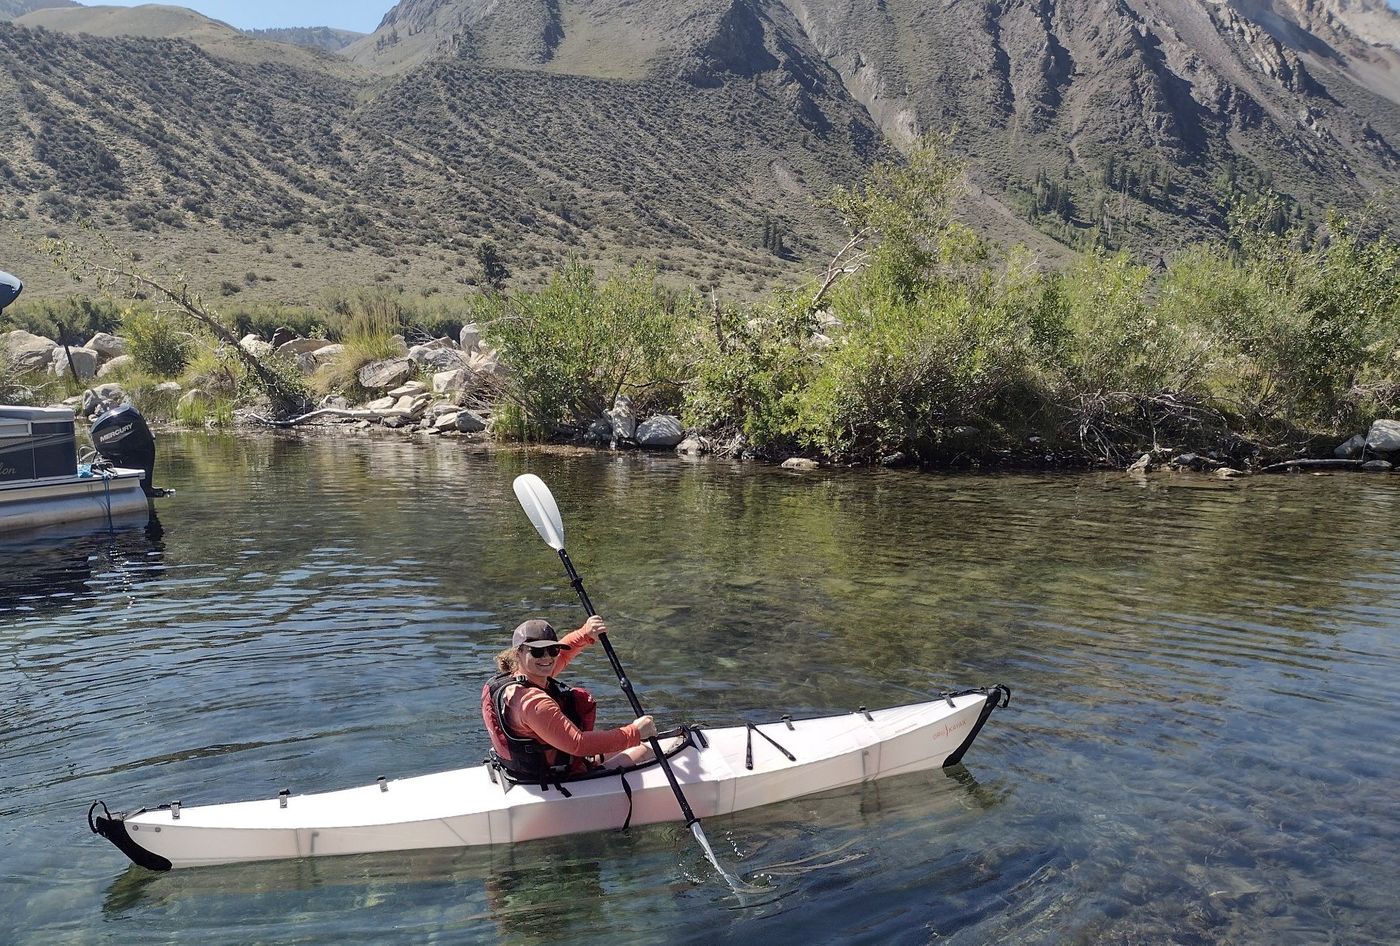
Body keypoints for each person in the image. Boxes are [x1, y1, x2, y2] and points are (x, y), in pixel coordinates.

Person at [481, 616, 659, 783]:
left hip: (523, 770)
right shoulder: (534, 702)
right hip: (555, 777)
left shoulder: (516, 680)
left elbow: (564, 655)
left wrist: (585, 633)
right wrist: (634, 732)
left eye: (552, 649)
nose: (547, 657)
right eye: (537, 652)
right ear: (518, 653)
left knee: (623, 744)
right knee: (645, 749)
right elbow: (578, 744)